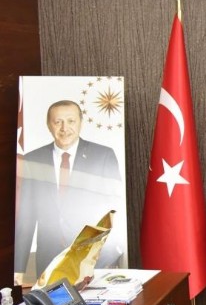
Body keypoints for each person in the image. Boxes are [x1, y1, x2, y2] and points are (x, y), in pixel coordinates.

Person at [15, 100, 124, 286]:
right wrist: (18, 269)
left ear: (81, 122)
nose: (64, 128)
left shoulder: (103, 155)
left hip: (95, 259)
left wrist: (111, 253)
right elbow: (26, 215)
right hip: (49, 261)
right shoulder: (32, 160)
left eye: (71, 121)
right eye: (58, 122)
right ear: (49, 125)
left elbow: (114, 209)